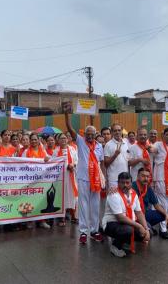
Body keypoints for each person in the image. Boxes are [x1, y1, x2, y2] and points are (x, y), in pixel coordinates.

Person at [64, 103, 105, 244]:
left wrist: (103, 178)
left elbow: (101, 163)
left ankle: (94, 231)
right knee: (83, 206)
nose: (89, 136)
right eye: (87, 134)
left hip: (96, 181)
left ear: (95, 135)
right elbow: (70, 129)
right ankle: (83, 232)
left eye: (92, 134)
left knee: (95, 206)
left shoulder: (99, 146)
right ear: (84, 134)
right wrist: (66, 114)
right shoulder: (80, 142)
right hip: (83, 179)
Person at [102, 172, 150, 258]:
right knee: (128, 230)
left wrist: (146, 229)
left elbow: (139, 212)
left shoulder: (133, 194)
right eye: (122, 182)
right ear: (118, 183)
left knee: (148, 230)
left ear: (131, 183)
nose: (125, 185)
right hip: (112, 223)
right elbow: (120, 218)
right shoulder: (114, 194)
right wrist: (139, 226)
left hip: (127, 223)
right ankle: (115, 246)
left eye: (127, 183)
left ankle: (124, 241)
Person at [22, 133, 51, 230]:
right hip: (30, 181)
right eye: (32, 140)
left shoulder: (43, 151)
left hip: (41, 181)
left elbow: (50, 161)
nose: (34, 141)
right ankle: (29, 221)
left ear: (39, 141)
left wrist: (48, 159)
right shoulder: (26, 152)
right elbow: (21, 165)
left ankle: (42, 221)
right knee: (29, 201)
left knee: (41, 201)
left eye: (35, 140)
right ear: (30, 141)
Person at [132, 168, 168, 234]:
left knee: (162, 215)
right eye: (143, 176)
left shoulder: (148, 189)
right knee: (150, 234)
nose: (146, 178)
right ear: (138, 176)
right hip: (133, 214)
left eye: (147, 176)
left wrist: (166, 214)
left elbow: (156, 205)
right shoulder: (132, 186)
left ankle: (146, 226)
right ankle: (143, 227)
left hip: (144, 213)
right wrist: (114, 189)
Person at [52, 133, 78, 226]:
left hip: (71, 175)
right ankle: (62, 218)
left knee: (72, 196)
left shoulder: (72, 149)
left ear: (68, 140)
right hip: (61, 177)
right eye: (61, 138)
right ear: (58, 141)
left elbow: (76, 160)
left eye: (65, 138)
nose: (63, 140)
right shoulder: (56, 151)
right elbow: (54, 163)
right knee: (62, 197)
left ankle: (73, 216)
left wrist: (72, 165)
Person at [104, 123, 129, 189]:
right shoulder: (108, 145)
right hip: (113, 179)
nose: (117, 132)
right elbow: (106, 164)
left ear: (122, 131)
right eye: (115, 131)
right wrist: (115, 155)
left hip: (125, 178)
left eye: (119, 130)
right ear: (112, 132)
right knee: (114, 199)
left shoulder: (126, 143)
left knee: (124, 199)